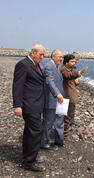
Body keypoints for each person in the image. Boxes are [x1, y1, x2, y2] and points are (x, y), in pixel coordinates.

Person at [12, 43, 46, 172]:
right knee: (37, 131)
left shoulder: (36, 65)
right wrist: (17, 106)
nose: (42, 57)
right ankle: (29, 161)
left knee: (29, 132)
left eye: (43, 55)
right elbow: (17, 86)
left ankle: (28, 157)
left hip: (37, 104)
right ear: (33, 53)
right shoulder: (23, 64)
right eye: (40, 54)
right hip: (29, 105)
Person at [41, 49, 65, 149]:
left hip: (60, 99)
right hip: (52, 99)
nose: (61, 59)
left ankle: (59, 141)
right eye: (59, 57)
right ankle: (44, 142)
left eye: (62, 57)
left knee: (60, 121)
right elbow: (49, 82)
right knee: (48, 123)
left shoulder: (57, 67)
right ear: (53, 56)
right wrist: (58, 94)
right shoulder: (48, 66)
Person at [60, 54, 88, 141]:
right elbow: (69, 76)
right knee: (66, 117)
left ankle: (64, 134)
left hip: (69, 96)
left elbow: (72, 77)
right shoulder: (64, 69)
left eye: (74, 61)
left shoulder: (69, 68)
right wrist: (80, 72)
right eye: (72, 61)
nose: (74, 63)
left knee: (67, 117)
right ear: (66, 62)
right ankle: (64, 136)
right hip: (67, 96)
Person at [69, 52, 80, 126]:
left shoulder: (66, 66)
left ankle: (70, 122)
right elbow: (75, 80)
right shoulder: (72, 68)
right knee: (71, 106)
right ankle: (70, 122)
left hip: (68, 89)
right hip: (70, 90)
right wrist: (77, 82)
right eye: (77, 59)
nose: (78, 61)